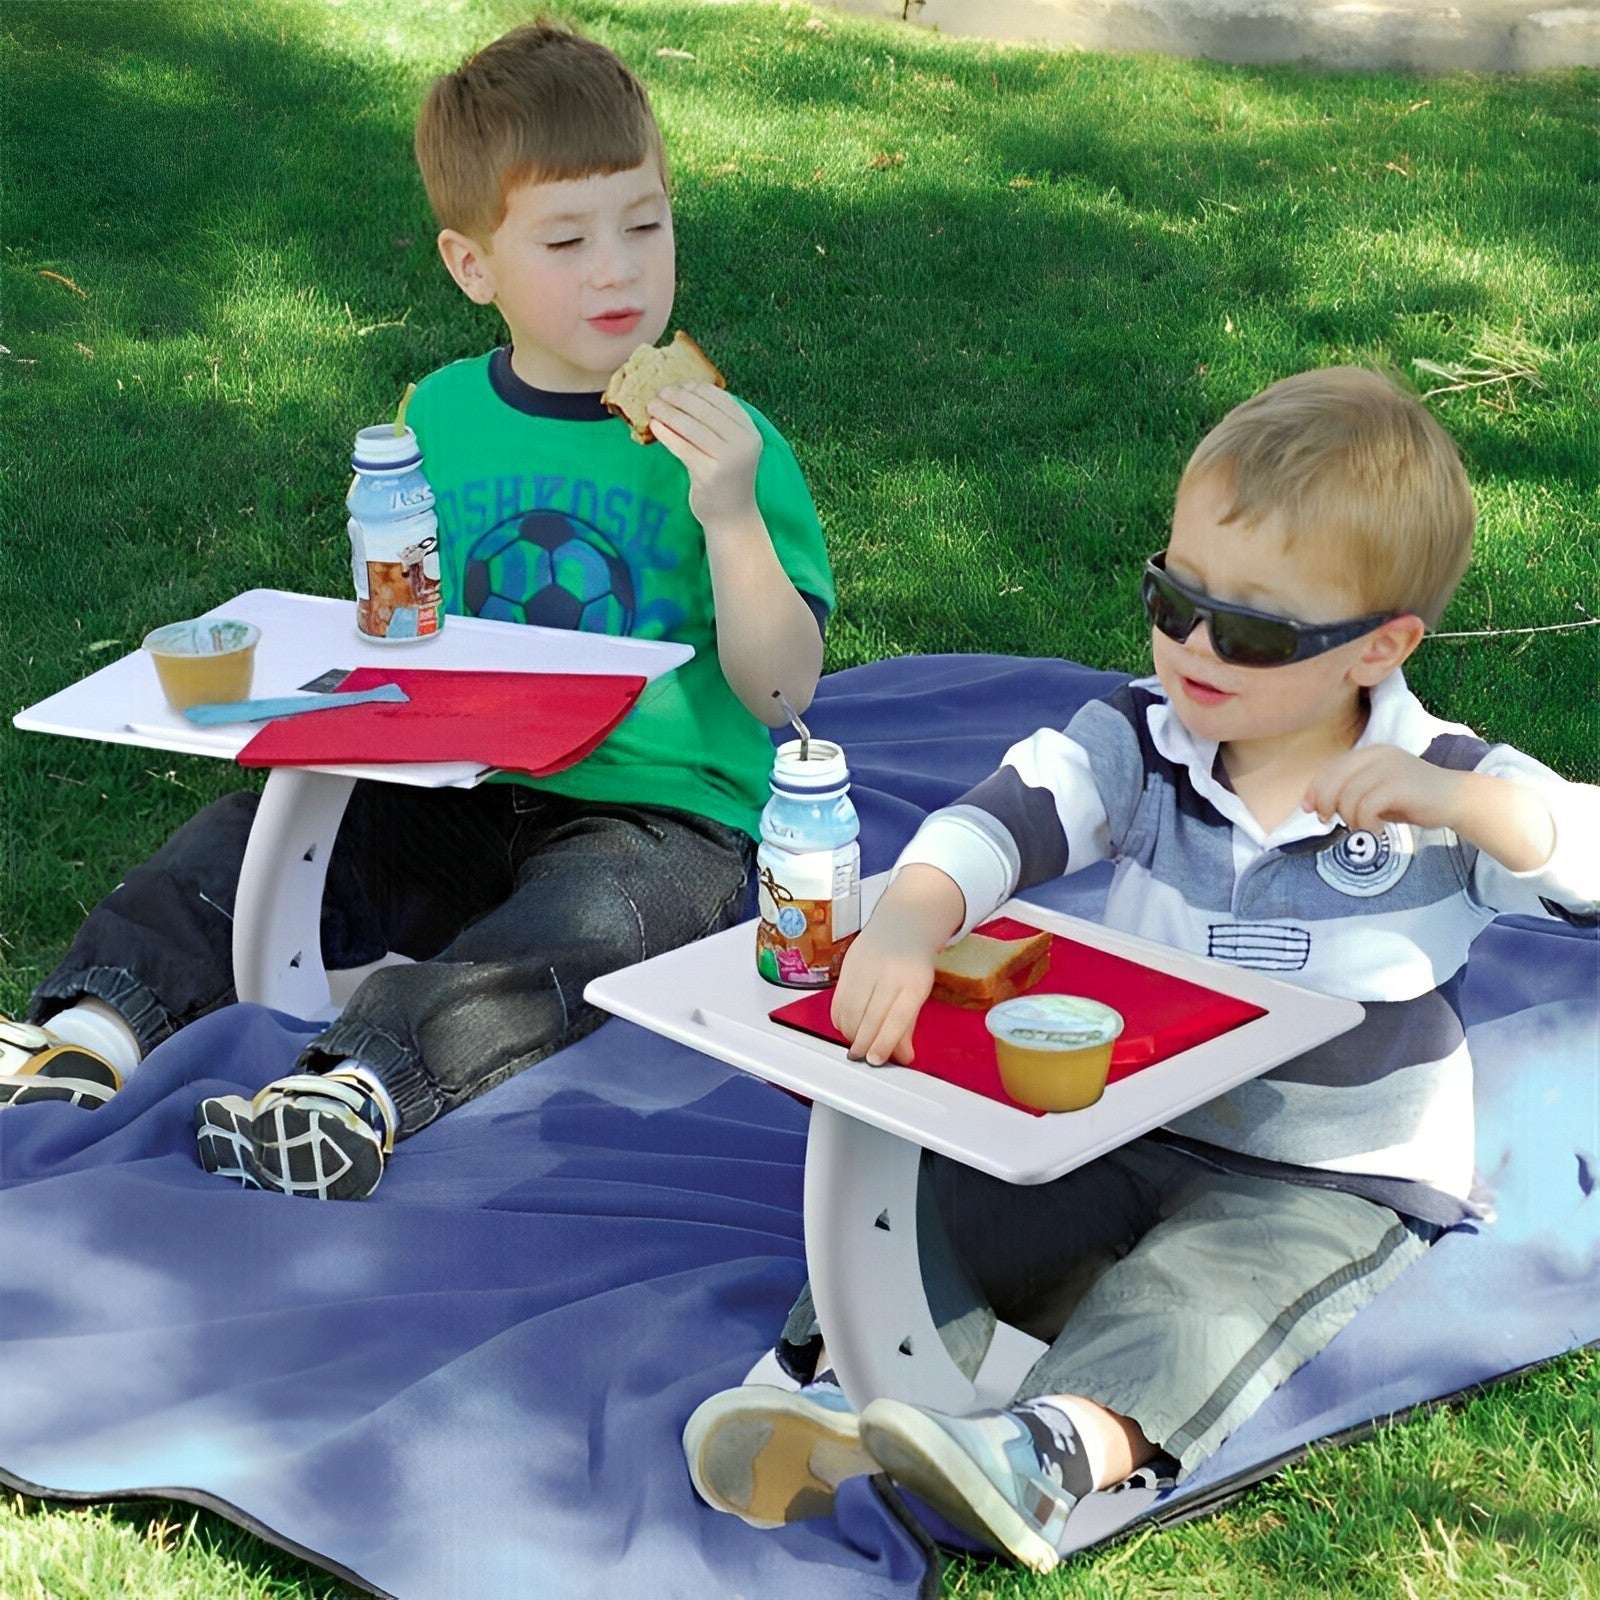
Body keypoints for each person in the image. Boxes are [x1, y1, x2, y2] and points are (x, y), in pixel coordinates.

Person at [681, 367, 1599, 1572]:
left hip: (1322, 1175)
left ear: (1379, 645)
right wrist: (909, 914)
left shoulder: (1441, 782)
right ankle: (819, 1387)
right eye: (1173, 601)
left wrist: (1475, 809)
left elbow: (1578, 854)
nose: (1196, 647)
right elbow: (1002, 820)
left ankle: (1046, 1450)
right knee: (935, 1191)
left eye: (1255, 630)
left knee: (1198, 1296)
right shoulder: (1140, 739)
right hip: (1123, 1119)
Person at [6, 20, 833, 1201]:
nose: (617, 268)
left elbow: (785, 693)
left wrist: (734, 515)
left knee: (575, 932)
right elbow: (411, 608)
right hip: (460, 780)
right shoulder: (439, 415)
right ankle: (91, 1033)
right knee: (246, 841)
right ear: (471, 265)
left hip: (659, 812)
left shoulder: (735, 447)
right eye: (567, 237)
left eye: (645, 224)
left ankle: (353, 1089)